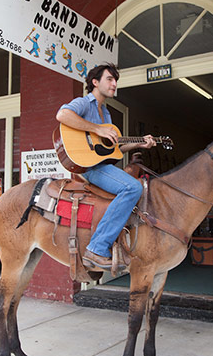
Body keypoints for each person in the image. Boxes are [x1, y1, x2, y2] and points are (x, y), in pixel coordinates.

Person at [56, 63, 156, 270]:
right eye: (109, 79)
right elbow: (62, 115)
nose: (114, 84)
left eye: (115, 80)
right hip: (91, 168)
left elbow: (114, 150)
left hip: (103, 165)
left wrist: (139, 143)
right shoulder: (84, 103)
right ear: (95, 82)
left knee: (136, 185)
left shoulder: (106, 114)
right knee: (132, 187)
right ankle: (97, 248)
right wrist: (97, 130)